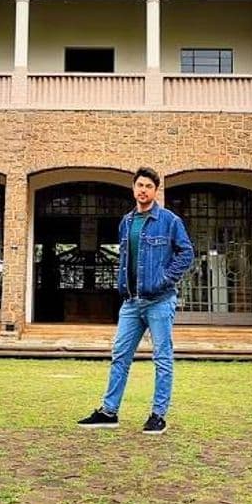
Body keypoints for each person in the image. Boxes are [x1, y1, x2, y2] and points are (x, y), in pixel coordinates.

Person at [78, 166, 194, 434]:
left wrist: (164, 279)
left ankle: (158, 415)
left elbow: (185, 253)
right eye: (139, 185)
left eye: (148, 187)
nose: (143, 190)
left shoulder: (169, 221)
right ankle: (109, 411)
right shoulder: (126, 222)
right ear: (134, 188)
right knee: (120, 356)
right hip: (131, 302)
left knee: (162, 358)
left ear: (155, 191)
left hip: (159, 301)